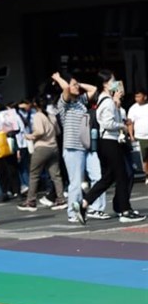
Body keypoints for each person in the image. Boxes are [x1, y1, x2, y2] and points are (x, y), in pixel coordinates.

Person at [73, 71, 145, 223]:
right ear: (105, 84)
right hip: (109, 142)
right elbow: (107, 124)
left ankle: (84, 203)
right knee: (122, 175)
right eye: (113, 80)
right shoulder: (106, 101)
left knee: (109, 177)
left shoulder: (108, 100)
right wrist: (123, 127)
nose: (116, 82)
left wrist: (117, 104)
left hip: (105, 143)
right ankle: (125, 210)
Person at [52, 71, 108, 223]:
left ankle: (97, 208)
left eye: (77, 84)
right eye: (74, 85)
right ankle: (72, 213)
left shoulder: (81, 101)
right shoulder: (64, 104)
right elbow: (65, 89)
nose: (77, 87)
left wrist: (78, 84)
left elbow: (94, 89)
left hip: (87, 145)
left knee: (98, 176)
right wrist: (59, 79)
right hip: (72, 147)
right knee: (76, 182)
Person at [17, 98, 66, 212]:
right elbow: (58, 131)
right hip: (53, 147)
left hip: (42, 147)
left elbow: (39, 131)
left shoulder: (38, 116)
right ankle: (61, 199)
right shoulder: (51, 116)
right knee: (56, 175)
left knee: (34, 174)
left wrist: (30, 136)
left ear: (35, 104)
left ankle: (31, 201)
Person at [127, 87, 148, 185]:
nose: (137, 98)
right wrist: (131, 136)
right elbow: (130, 123)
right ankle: (146, 175)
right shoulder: (133, 108)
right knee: (143, 158)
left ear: (145, 97)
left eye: (139, 96)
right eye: (136, 96)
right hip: (140, 137)